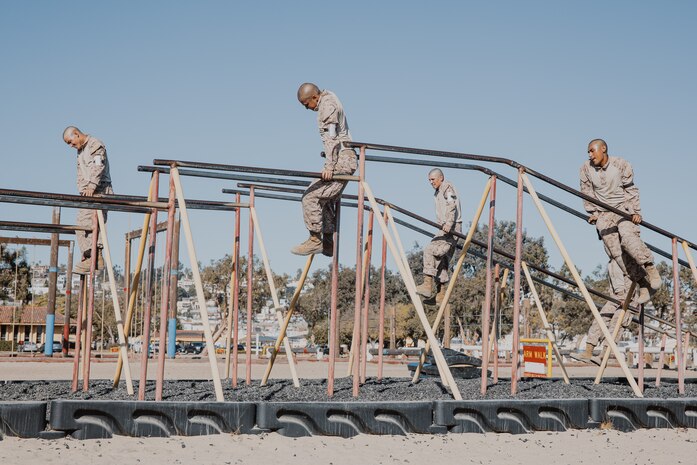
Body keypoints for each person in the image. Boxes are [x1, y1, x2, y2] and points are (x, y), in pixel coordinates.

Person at [575, 138, 661, 363]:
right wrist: (592, 211)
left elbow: (631, 189)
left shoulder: (621, 164)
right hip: (604, 216)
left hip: (623, 210)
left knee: (628, 238)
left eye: (592, 151)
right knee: (615, 252)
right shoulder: (585, 169)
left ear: (604, 149)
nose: (590, 155)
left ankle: (650, 270)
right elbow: (586, 192)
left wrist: (636, 212)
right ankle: (594, 348)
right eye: (588, 152)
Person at [291, 83, 357, 256]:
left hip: (341, 159)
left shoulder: (326, 106)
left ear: (314, 97)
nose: (307, 108)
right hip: (343, 157)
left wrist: (329, 166)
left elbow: (332, 139)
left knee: (310, 196)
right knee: (324, 198)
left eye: (306, 104)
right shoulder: (329, 98)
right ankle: (327, 242)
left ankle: (315, 240)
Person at [62, 126, 113, 274]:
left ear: (77, 134)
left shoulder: (94, 144)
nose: (71, 145)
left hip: (100, 189)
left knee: (92, 222)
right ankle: (92, 256)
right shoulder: (80, 151)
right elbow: (80, 173)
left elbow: (99, 166)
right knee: (82, 224)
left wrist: (91, 185)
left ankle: (95, 256)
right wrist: (83, 190)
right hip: (89, 192)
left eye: (70, 142)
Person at [415, 169, 462, 303]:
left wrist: (448, 223)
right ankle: (441, 295)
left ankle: (427, 285)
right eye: (429, 180)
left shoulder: (447, 187)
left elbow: (451, 204)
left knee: (430, 250)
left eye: (433, 179)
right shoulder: (438, 192)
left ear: (441, 178)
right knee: (442, 260)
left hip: (451, 227)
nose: (431, 182)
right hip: (447, 227)